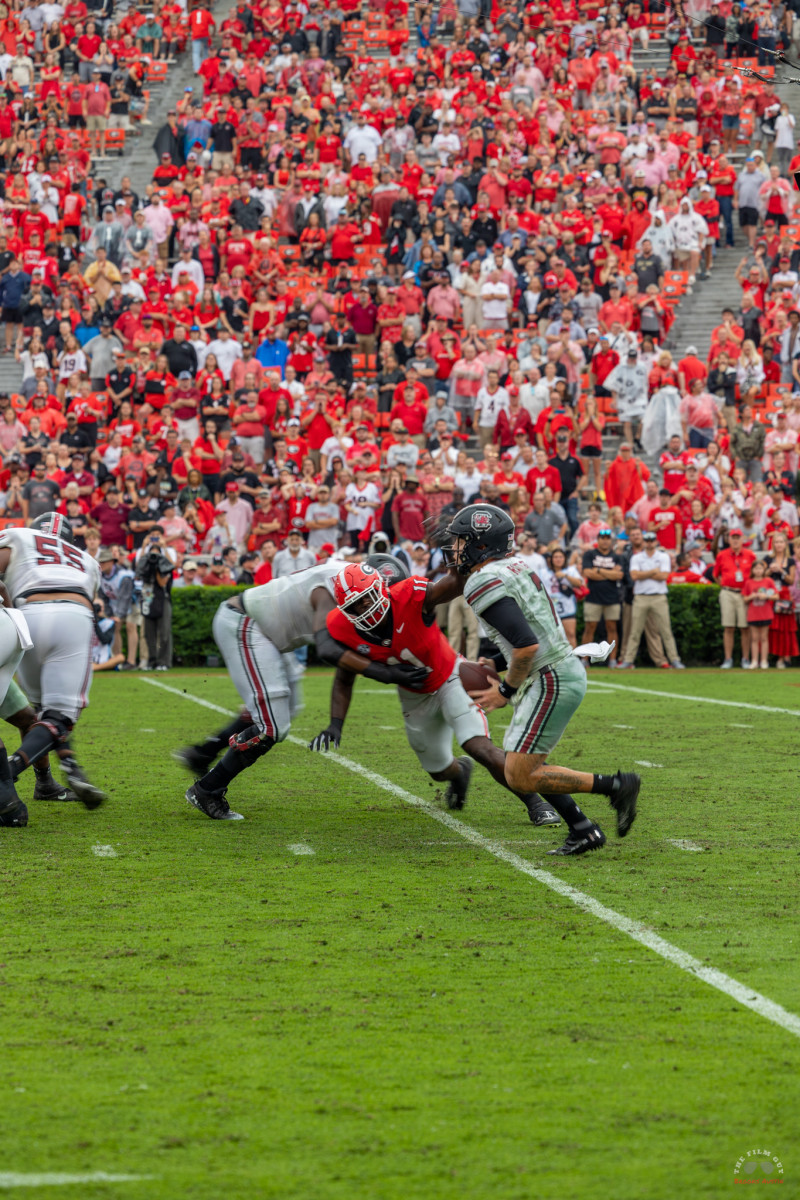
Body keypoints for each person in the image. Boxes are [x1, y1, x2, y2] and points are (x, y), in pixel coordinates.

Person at [444, 503, 641, 856]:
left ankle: (615, 787)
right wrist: (495, 659)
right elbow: (527, 634)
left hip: (550, 676)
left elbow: (526, 646)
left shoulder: (481, 580)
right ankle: (583, 828)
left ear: (481, 544)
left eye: (461, 541)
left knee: (518, 774)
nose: (455, 548)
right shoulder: (514, 566)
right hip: (556, 670)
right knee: (527, 766)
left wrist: (505, 689)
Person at [310, 557, 561, 827]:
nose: (365, 608)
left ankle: (535, 802)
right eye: (355, 605)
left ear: (381, 588)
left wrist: (455, 562)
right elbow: (344, 676)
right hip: (414, 696)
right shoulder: (342, 626)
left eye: (367, 598)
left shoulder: (410, 595)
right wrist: (335, 723)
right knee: (438, 769)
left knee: (479, 747)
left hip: (450, 675)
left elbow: (455, 584)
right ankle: (459, 773)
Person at [174, 556, 429, 820]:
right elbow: (328, 649)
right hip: (246, 623)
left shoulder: (350, 585)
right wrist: (387, 673)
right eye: (375, 595)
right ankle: (208, 789)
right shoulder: (332, 587)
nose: (378, 605)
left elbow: (346, 658)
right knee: (272, 726)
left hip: (269, 634)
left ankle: (203, 753)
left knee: (287, 707)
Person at [0, 513, 107, 809]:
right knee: (57, 716)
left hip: (25, 618)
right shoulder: (86, 560)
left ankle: (61, 773)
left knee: (41, 714)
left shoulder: (20, 535)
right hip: (70, 617)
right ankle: (7, 773)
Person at [617, 532, 685, 670]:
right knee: (635, 631)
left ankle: (674, 659)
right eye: (647, 540)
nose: (649, 542)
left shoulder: (663, 556)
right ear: (644, 542)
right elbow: (634, 576)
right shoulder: (637, 557)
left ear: (655, 541)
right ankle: (628, 659)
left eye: (651, 540)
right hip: (641, 596)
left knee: (665, 630)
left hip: (658, 596)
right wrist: (653, 571)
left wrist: (645, 574)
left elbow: (664, 576)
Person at [712, 527, 756, 668]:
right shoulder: (722, 555)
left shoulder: (750, 555)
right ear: (729, 539)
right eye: (733, 537)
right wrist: (724, 586)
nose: (736, 540)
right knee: (728, 627)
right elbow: (715, 574)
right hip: (728, 592)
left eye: (738, 537)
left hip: (744, 593)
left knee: (745, 628)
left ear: (743, 539)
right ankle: (728, 659)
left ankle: (745, 658)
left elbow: (756, 574)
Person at [581, 528, 623, 666]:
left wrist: (598, 570)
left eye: (607, 538)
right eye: (602, 538)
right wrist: (609, 573)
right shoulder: (589, 554)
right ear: (598, 540)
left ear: (611, 541)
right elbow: (587, 573)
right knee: (590, 627)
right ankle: (585, 659)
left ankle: (612, 659)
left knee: (612, 627)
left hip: (612, 598)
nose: (605, 541)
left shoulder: (617, 557)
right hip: (593, 597)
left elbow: (619, 575)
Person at [742, 559, 778, 670]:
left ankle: (764, 661)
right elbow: (745, 598)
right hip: (753, 614)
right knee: (754, 638)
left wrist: (766, 596)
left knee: (764, 638)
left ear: (764, 570)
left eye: (760, 568)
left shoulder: (768, 581)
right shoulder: (749, 582)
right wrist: (752, 596)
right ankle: (754, 661)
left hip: (765, 613)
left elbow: (776, 596)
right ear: (752, 570)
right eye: (756, 568)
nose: (758, 571)